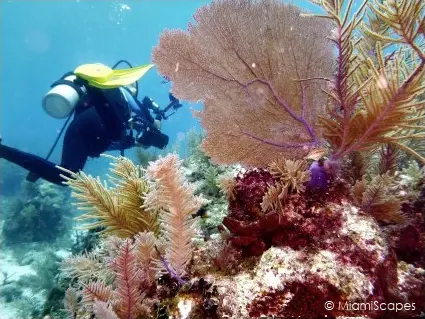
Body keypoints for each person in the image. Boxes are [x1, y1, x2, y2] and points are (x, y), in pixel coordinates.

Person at [0, 62, 180, 186]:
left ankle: (4, 151)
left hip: (80, 128)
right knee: (115, 134)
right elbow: (141, 118)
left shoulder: (115, 110)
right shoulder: (123, 93)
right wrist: (152, 124)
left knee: (65, 175)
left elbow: (107, 142)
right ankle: (5, 152)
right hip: (93, 123)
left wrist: (133, 142)